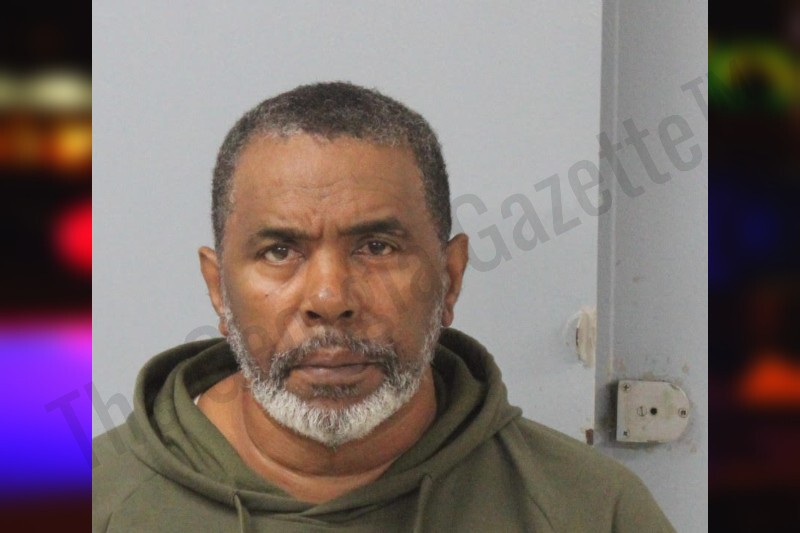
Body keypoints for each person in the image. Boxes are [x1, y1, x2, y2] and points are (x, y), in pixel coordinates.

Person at [92, 82, 675, 532]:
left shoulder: (591, 509)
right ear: (219, 290)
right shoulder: (98, 501)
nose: (329, 300)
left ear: (450, 278)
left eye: (376, 247)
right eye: (279, 251)